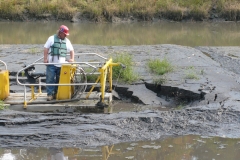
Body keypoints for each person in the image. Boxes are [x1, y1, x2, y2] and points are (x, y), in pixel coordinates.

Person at [43, 25, 75, 101]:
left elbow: (72, 50)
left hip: (62, 65)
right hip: (51, 64)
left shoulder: (67, 41)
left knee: (59, 80)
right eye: (65, 34)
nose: (65, 36)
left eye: (66, 35)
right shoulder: (51, 38)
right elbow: (46, 48)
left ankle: (56, 93)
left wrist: (72, 58)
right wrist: (45, 59)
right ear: (60, 32)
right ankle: (50, 94)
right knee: (50, 79)